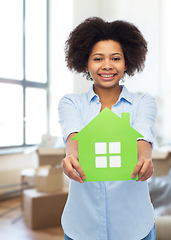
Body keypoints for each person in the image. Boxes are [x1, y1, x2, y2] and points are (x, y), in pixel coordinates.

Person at [58, 17, 158, 240]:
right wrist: (71, 157)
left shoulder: (144, 102)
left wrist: (144, 159)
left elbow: (143, 134)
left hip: (134, 225)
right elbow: (73, 134)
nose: (107, 65)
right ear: (86, 64)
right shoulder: (71, 102)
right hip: (82, 224)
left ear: (127, 63)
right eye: (97, 58)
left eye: (115, 58)